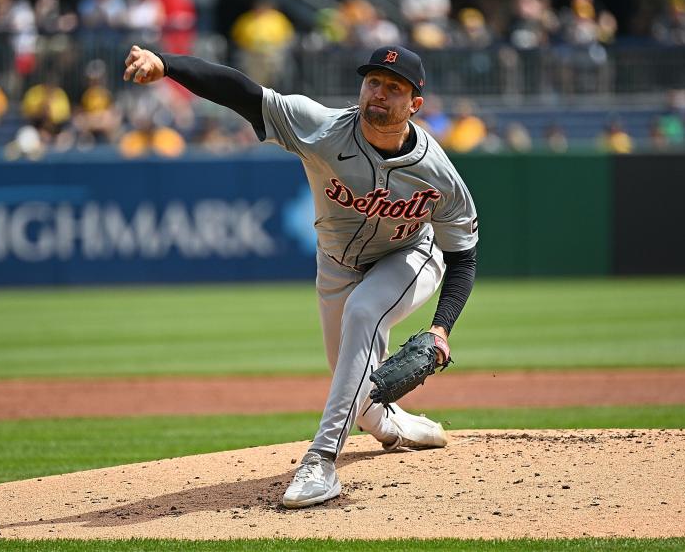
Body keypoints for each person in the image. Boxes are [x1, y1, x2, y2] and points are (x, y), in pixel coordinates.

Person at [122, 43, 477, 508]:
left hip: (410, 255)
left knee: (365, 312)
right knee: (355, 385)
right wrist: (167, 65)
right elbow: (241, 92)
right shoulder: (321, 126)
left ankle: (321, 461)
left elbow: (464, 258)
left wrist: (441, 327)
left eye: (395, 88)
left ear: (414, 105)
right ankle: (395, 426)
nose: (380, 93)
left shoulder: (438, 174)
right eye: (374, 82)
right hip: (335, 266)